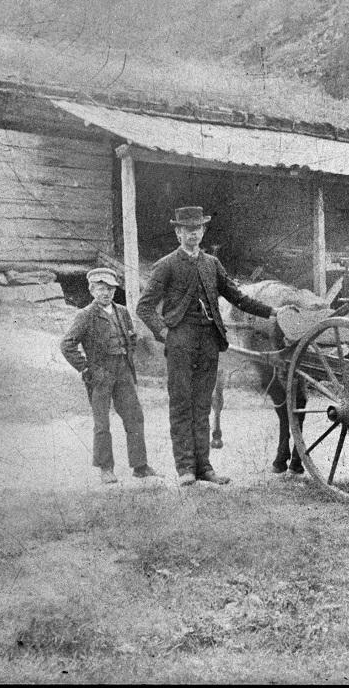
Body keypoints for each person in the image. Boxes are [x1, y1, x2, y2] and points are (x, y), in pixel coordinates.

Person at [137, 206, 283, 487]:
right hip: (180, 341)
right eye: (187, 230)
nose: (193, 235)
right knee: (181, 404)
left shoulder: (212, 264)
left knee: (203, 405)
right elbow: (144, 307)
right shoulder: (166, 265)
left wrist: (272, 312)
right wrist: (164, 333)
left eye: (197, 229)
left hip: (209, 341)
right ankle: (185, 469)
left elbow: (237, 297)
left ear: (203, 231)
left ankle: (204, 467)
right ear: (178, 232)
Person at [61, 268, 156, 484]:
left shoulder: (122, 311)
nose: (106, 293)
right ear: (92, 289)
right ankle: (106, 468)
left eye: (111, 289)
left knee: (134, 416)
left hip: (123, 370)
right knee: (102, 423)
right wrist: (85, 368)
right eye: (101, 289)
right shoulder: (85, 315)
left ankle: (140, 466)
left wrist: (129, 352)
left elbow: (131, 339)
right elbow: (67, 345)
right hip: (100, 373)